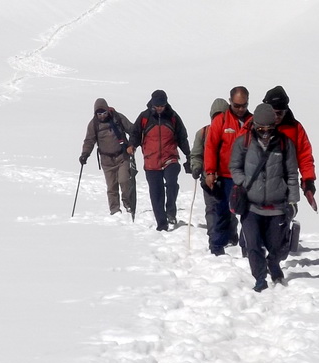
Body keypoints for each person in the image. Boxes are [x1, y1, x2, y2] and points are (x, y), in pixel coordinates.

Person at [230, 103, 299, 291]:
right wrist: (244, 182)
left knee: (277, 246)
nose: (266, 133)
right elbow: (234, 167)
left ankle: (273, 263)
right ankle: (260, 278)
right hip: (251, 205)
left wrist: (293, 201)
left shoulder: (285, 144)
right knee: (253, 245)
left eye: (270, 128)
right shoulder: (243, 142)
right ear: (254, 126)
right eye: (261, 129)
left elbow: (292, 174)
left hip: (277, 206)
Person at [128, 89, 189, 232]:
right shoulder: (144, 117)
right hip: (151, 160)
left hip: (170, 158)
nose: (160, 108)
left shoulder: (173, 117)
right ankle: (162, 224)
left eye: (162, 105)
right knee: (156, 193)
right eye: (157, 106)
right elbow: (135, 133)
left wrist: (188, 154)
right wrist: (132, 145)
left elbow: (182, 137)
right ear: (152, 104)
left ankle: (171, 210)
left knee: (172, 183)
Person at [203, 86, 253, 255]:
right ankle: (217, 247)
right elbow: (211, 146)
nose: (240, 109)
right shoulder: (221, 120)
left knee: (249, 213)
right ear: (230, 101)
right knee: (222, 211)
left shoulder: (253, 122)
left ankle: (248, 248)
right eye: (237, 105)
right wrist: (210, 172)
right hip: (225, 176)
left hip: (248, 176)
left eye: (244, 105)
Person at [80, 98, 137, 216]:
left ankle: (128, 204)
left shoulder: (117, 117)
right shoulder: (93, 124)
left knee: (124, 181)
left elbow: (132, 130)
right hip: (106, 160)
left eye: (104, 113)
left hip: (122, 156)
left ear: (107, 110)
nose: (102, 116)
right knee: (111, 186)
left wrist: (132, 144)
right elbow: (89, 141)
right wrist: (85, 154)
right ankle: (114, 209)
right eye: (99, 114)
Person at [262, 85, 316, 208]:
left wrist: (308, 180)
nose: (276, 117)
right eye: (273, 113)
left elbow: (304, 156)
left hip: (285, 184)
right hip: (258, 183)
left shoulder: (295, 128)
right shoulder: (254, 126)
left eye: (280, 113)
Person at [189, 98, 229, 253]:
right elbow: (196, 154)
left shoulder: (232, 132)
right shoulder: (203, 133)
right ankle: (214, 239)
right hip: (209, 178)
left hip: (228, 178)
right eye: (216, 115)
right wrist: (196, 167)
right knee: (212, 209)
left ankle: (229, 236)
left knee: (229, 210)